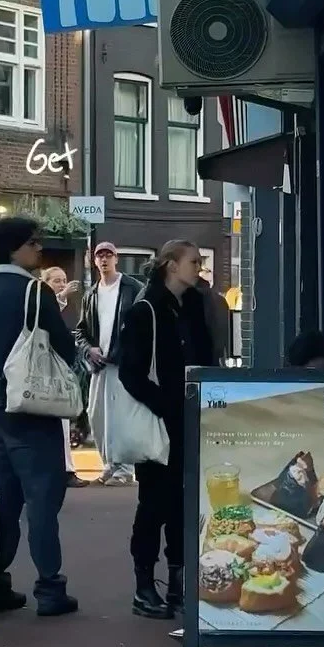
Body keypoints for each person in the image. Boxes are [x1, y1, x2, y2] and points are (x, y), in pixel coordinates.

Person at [203, 328, 324, 647]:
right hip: (286, 515)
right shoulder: (289, 400)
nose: (313, 380)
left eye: (319, 372)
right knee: (261, 565)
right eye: (307, 372)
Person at [0, 216, 78, 617]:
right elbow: (64, 347)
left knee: (5, 499)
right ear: (14, 249)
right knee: (43, 499)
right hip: (32, 409)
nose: (39, 248)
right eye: (33, 242)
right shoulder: (34, 292)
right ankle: (50, 589)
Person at [119, 240, 213, 620]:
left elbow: (206, 357)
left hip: (189, 419)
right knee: (154, 503)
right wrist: (168, 406)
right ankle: (144, 585)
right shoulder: (145, 311)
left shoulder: (193, 305)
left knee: (183, 502)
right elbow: (131, 374)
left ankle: (178, 581)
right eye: (194, 261)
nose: (199, 267)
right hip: (161, 423)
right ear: (171, 265)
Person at [75, 243, 140, 486]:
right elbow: (81, 331)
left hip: (124, 364)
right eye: (100, 256)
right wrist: (89, 349)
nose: (104, 260)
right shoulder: (91, 294)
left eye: (108, 255)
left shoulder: (132, 288)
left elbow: (142, 324)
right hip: (99, 366)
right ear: (94, 261)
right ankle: (110, 464)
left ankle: (125, 468)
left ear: (116, 259)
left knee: (122, 417)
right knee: (97, 416)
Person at [42, 266, 88, 489]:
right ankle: (63, 470)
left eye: (63, 280)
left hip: (58, 370)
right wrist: (62, 296)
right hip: (46, 372)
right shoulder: (44, 301)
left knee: (61, 421)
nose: (62, 285)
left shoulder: (61, 305)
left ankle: (65, 469)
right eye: (56, 281)